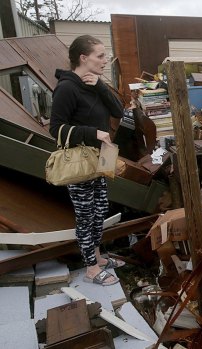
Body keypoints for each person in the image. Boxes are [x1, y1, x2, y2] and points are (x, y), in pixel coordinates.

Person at [50, 35, 125, 286]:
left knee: (100, 210)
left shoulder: (93, 84)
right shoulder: (66, 88)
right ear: (84, 58)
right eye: (100, 56)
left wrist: (101, 86)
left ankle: (98, 257)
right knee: (86, 215)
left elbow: (118, 111)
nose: (105, 61)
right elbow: (56, 129)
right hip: (81, 161)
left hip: (100, 159)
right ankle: (91, 268)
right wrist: (93, 133)